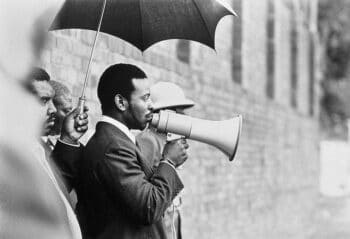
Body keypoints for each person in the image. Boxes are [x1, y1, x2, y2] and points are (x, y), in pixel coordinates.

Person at [76, 63, 189, 239]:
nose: (151, 106)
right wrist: (169, 162)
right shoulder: (113, 147)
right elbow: (148, 207)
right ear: (121, 102)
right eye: (145, 98)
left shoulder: (119, 141)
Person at [27, 67, 89, 239]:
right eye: (43, 101)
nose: (53, 110)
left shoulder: (34, 150)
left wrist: (68, 139)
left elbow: (52, 195)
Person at [136, 82, 195, 239]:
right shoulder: (148, 140)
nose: (184, 117)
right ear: (163, 113)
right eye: (179, 112)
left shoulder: (166, 142)